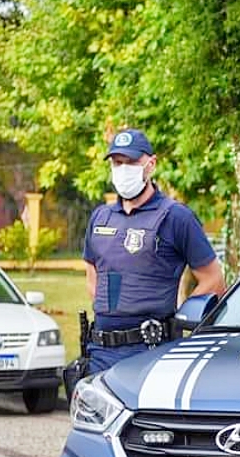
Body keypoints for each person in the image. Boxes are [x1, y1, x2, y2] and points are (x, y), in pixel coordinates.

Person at [83, 129, 225, 373]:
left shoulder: (176, 217)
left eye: (131, 162)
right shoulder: (100, 218)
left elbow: (214, 281)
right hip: (99, 353)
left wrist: (181, 319)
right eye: (117, 163)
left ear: (150, 165)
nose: (123, 169)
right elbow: (92, 275)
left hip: (150, 352)